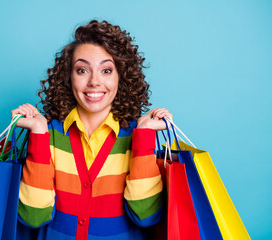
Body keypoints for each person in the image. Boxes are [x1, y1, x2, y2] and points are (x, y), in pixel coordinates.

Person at [11, 20, 172, 240]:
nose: (94, 81)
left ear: (121, 78)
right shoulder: (48, 135)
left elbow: (146, 215)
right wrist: (39, 132)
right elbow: (33, 216)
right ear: (68, 77)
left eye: (106, 70)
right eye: (82, 70)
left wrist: (144, 134)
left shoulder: (138, 136)